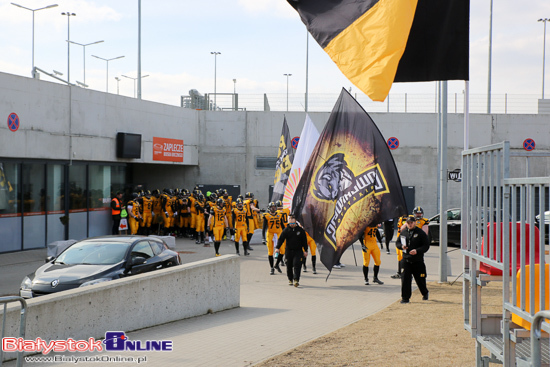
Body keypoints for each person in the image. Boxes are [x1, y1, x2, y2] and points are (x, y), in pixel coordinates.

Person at [396, 215, 430, 303]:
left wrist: (417, 251)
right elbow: (397, 242)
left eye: (411, 223)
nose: (410, 224)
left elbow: (426, 246)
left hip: (417, 260)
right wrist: (401, 246)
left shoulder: (420, 233)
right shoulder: (403, 232)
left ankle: (425, 293)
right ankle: (405, 298)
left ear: (415, 223)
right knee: (405, 279)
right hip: (406, 259)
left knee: (420, 279)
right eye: (408, 223)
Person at [275, 215, 308, 287]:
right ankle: (290, 279)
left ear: (295, 222)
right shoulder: (286, 230)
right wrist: (277, 248)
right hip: (289, 251)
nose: (292, 225)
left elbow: (304, 241)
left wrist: (305, 250)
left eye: (293, 223)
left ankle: (296, 280)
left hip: (298, 251)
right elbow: (281, 239)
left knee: (297, 265)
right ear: (288, 222)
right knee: (289, 265)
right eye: (290, 224)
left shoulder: (300, 230)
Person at [262, 202, 285, 275]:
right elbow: (264, 228)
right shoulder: (266, 215)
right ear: (269, 208)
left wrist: (287, 234)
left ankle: (277, 264)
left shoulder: (279, 215)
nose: (273, 208)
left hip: (279, 233)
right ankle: (272, 268)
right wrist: (263, 238)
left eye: (274, 207)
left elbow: (283, 226)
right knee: (270, 252)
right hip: (270, 233)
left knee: (283, 251)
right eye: (272, 207)